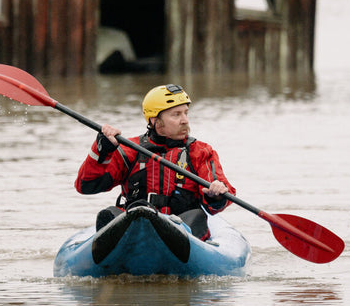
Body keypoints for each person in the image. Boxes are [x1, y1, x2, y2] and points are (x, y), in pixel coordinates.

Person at [75, 83, 234, 239]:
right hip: (137, 224)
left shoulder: (200, 152)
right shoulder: (129, 150)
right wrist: (102, 151)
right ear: (155, 121)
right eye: (176, 114)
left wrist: (217, 195)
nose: (185, 120)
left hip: (182, 230)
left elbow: (216, 204)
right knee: (115, 213)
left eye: (185, 113)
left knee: (196, 216)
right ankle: (123, 237)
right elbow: (86, 186)